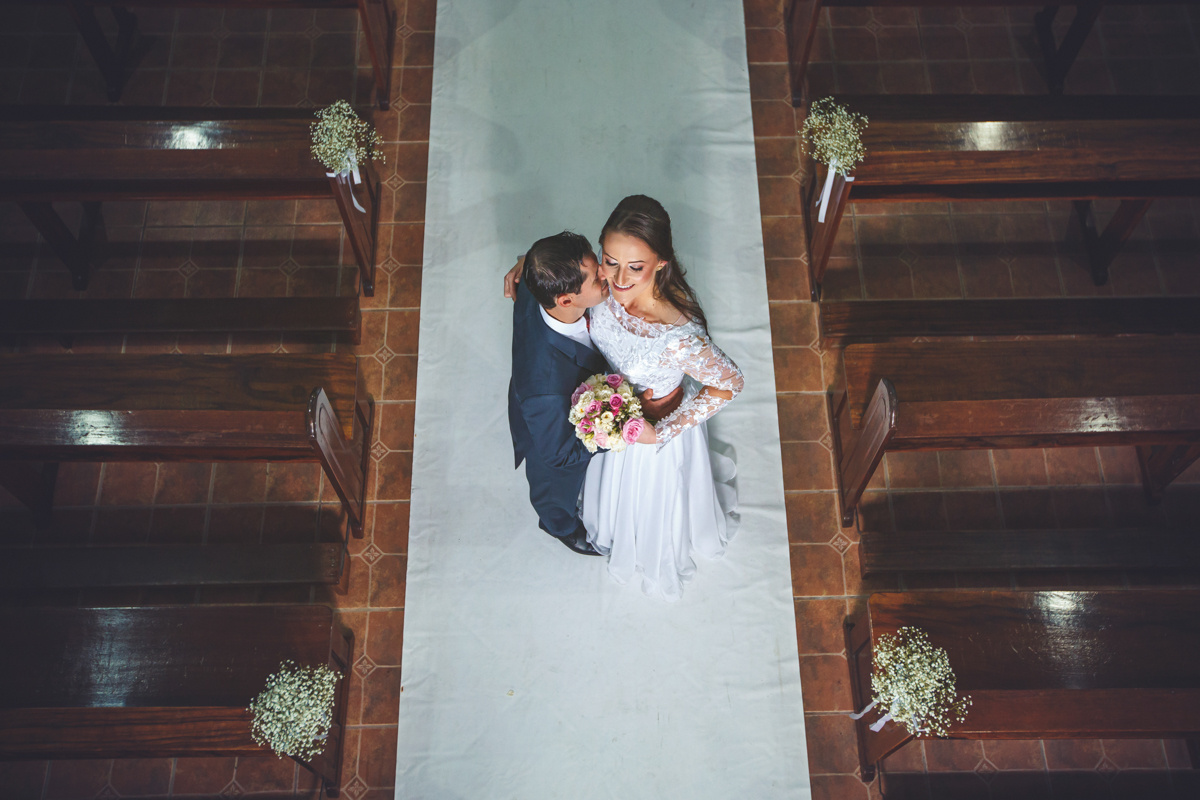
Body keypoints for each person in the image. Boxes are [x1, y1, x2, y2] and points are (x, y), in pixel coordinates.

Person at [507, 197, 743, 599]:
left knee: (647, 507)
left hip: (650, 434)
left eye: (635, 267)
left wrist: (663, 431)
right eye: (609, 260)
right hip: (610, 419)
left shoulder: (678, 337)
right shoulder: (592, 287)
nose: (616, 279)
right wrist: (526, 261)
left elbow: (731, 382)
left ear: (661, 263)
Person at [508, 231, 677, 556]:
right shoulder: (545, 392)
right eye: (596, 278)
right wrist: (622, 427)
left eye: (596, 262)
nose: (605, 273)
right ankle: (560, 528)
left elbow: (535, 257)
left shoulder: (535, 279)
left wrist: (524, 259)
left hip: (562, 383)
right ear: (565, 300)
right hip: (551, 429)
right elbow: (559, 455)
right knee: (554, 490)